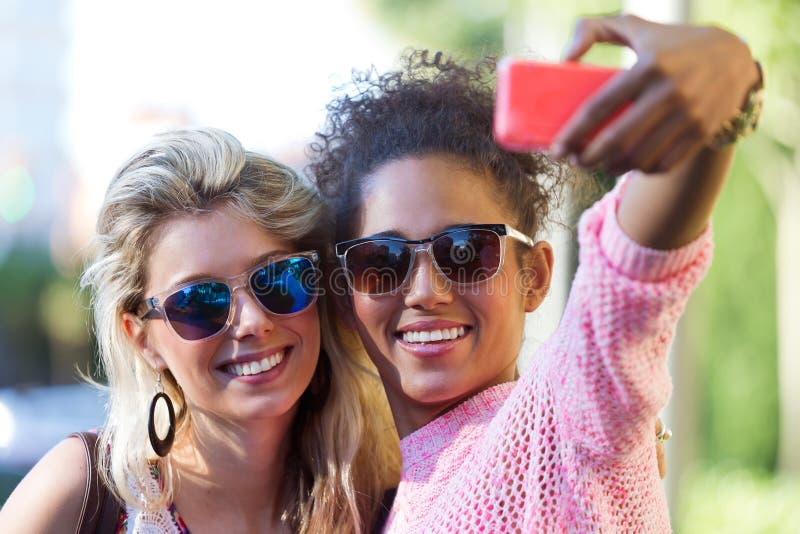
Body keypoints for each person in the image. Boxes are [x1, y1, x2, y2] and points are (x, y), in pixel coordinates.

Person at [308, 14, 762, 532]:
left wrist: (724, 70)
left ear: (536, 276)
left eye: (465, 251)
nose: (426, 291)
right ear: (346, 298)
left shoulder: (566, 424)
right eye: (381, 262)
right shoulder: (380, 497)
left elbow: (634, 272)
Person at [0, 128, 398, 533]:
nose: (253, 322)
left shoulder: (385, 499)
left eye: (278, 278)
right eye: (200, 302)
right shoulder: (82, 492)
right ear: (141, 338)